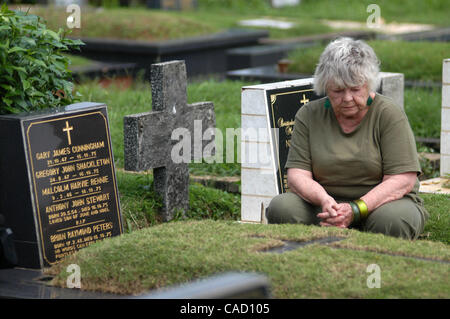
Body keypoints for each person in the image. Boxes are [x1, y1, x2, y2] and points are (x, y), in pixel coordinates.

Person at [266, 37, 428, 240]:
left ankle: (378, 263)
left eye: (355, 89)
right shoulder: (309, 115)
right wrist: (325, 201)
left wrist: (356, 209)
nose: (347, 98)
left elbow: (402, 180)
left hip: (382, 204)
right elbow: (297, 175)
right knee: (282, 207)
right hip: (327, 206)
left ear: (369, 84)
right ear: (325, 87)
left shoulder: (388, 114)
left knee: (392, 221)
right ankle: (307, 260)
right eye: (338, 90)